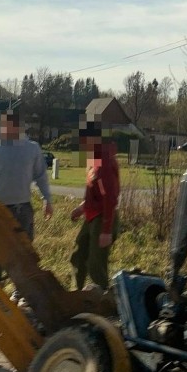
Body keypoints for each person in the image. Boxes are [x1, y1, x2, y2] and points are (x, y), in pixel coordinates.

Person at [0, 110, 53, 240]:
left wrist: (47, 200)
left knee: (24, 253)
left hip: (23, 210)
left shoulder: (32, 148)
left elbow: (41, 176)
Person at [70, 121, 120, 290]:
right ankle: (76, 295)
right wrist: (81, 207)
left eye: (83, 139)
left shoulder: (103, 161)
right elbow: (94, 191)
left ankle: (104, 302)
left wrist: (106, 230)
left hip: (104, 217)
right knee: (78, 255)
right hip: (91, 215)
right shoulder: (93, 158)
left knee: (95, 264)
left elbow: (109, 198)